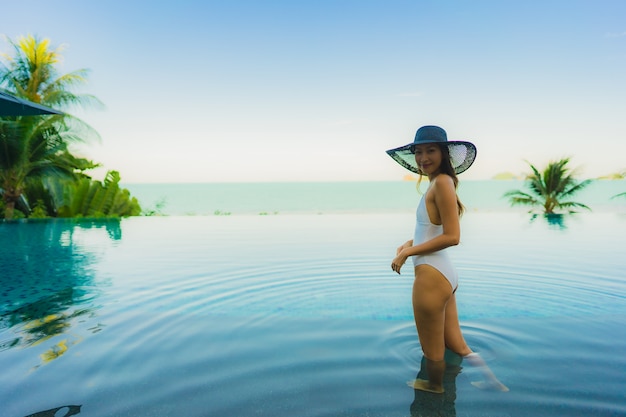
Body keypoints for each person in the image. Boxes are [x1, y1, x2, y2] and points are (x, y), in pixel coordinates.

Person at [386, 125, 508, 394]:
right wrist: (409, 243)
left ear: (444, 153)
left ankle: (434, 386)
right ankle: (493, 382)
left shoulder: (441, 182)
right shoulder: (440, 182)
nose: (423, 158)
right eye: (418, 152)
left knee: (433, 352)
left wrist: (408, 252)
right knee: (459, 346)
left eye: (430, 151)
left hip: (430, 276)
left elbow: (452, 236)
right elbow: (433, 230)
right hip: (444, 274)